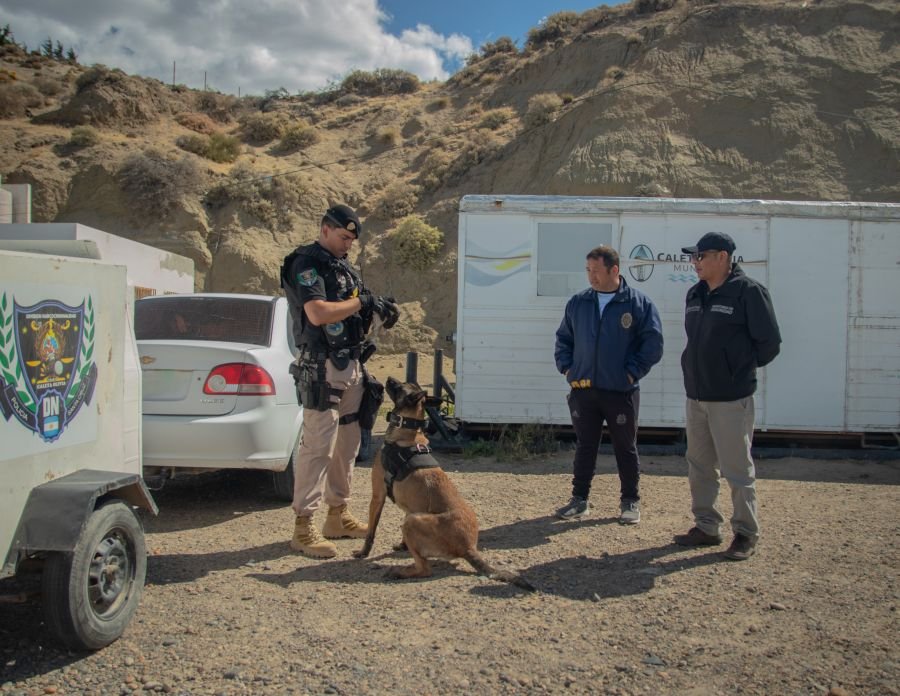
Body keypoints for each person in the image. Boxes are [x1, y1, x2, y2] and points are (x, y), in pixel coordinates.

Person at [280, 204, 399, 558]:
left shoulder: (342, 268)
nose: (348, 244)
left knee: (347, 444)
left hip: (351, 365)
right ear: (325, 229)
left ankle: (338, 514)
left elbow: (354, 309)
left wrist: (377, 309)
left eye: (352, 239)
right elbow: (317, 313)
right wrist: (360, 301)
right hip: (322, 366)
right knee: (318, 445)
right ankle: (303, 526)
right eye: (344, 237)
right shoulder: (306, 263)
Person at [674, 231, 781, 561]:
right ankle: (707, 526)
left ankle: (746, 533)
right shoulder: (695, 294)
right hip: (697, 396)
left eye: (700, 256)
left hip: (731, 398)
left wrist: (737, 370)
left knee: (737, 469)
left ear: (722, 257)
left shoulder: (748, 292)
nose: (695, 263)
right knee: (700, 465)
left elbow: (769, 344)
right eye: (693, 257)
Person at [554, 245, 663, 525]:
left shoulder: (638, 304)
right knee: (585, 446)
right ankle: (579, 500)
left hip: (620, 391)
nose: (591, 276)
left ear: (614, 270)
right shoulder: (578, 303)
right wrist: (568, 368)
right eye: (588, 270)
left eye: (596, 271)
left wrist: (630, 374)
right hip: (583, 390)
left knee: (625, 447)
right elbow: (563, 339)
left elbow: (653, 345)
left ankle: (630, 502)